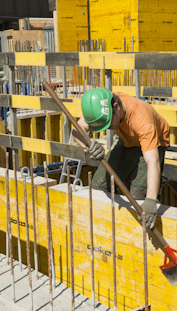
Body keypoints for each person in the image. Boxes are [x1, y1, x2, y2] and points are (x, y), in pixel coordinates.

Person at [73, 88, 170, 230]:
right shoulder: (104, 103)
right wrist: (89, 145)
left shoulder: (142, 119)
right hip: (127, 139)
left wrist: (150, 201)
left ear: (117, 107)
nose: (108, 129)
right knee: (98, 186)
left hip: (154, 144)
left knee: (138, 196)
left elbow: (152, 162)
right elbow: (77, 129)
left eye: (108, 124)